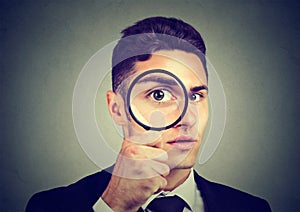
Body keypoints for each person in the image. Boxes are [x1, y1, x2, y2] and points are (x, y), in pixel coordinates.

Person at [26, 17, 271, 212]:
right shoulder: (51, 207)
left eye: (196, 96)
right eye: (159, 95)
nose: (188, 118)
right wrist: (114, 207)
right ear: (117, 109)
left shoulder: (252, 208)